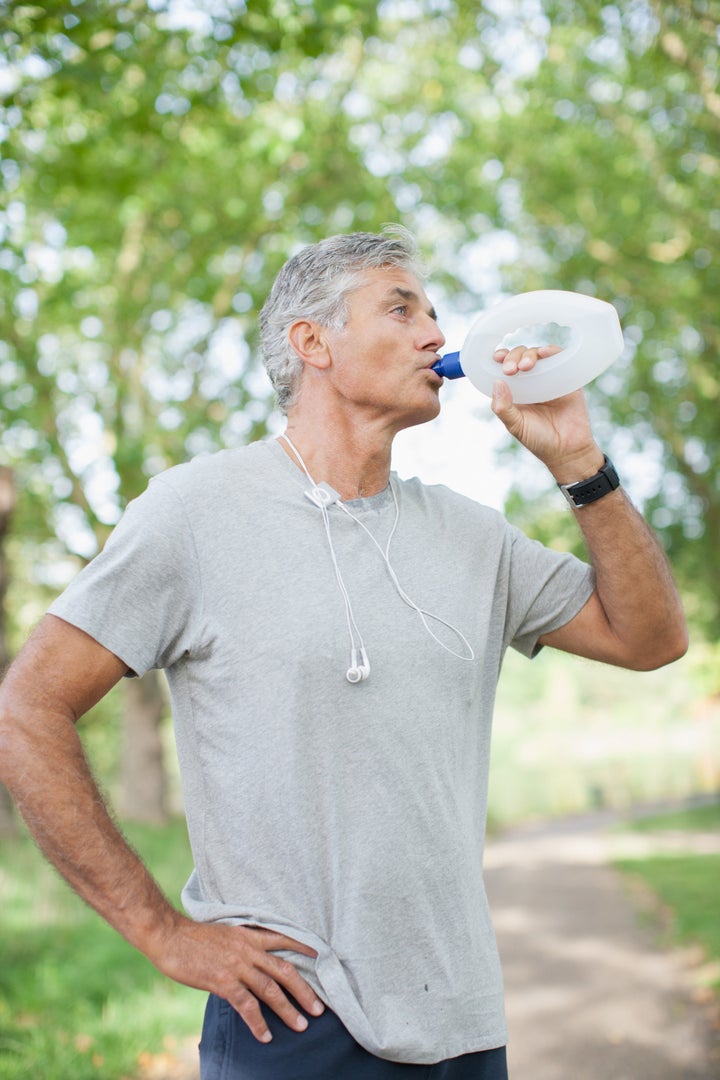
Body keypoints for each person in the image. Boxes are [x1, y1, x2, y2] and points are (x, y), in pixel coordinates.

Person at [0, 227, 687, 1079]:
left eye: (434, 313)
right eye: (401, 308)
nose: (437, 335)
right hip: (293, 1021)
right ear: (311, 342)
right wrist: (160, 932)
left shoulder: (474, 537)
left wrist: (580, 462)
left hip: (466, 1019)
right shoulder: (193, 513)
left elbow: (653, 639)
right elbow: (26, 707)